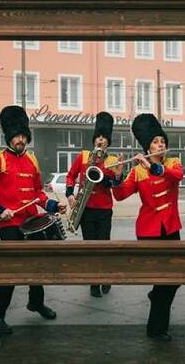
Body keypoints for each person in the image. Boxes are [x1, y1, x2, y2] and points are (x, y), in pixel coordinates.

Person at [0, 105, 67, 334]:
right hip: (9, 224)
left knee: (36, 264)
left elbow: (38, 194)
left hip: (31, 221)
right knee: (12, 270)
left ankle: (36, 302)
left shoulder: (32, 160)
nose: (21, 140)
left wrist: (54, 205)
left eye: (24, 136)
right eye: (17, 136)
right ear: (9, 137)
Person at [112, 113, 183, 342]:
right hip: (149, 231)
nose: (160, 145)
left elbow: (177, 177)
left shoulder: (172, 163)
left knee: (173, 280)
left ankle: (156, 298)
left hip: (171, 228)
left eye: (162, 141)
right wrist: (116, 177)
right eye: (155, 142)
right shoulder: (138, 170)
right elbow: (121, 195)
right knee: (164, 280)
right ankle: (156, 329)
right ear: (147, 146)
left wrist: (155, 166)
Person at [65, 112, 118, 298]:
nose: (100, 140)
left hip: (104, 209)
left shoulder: (112, 160)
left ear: (108, 142)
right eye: (98, 137)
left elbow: (115, 185)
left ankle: (106, 277)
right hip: (85, 208)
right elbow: (70, 176)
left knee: (104, 245)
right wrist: (70, 194)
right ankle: (94, 282)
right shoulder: (83, 156)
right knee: (90, 246)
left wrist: (115, 177)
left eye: (104, 138)